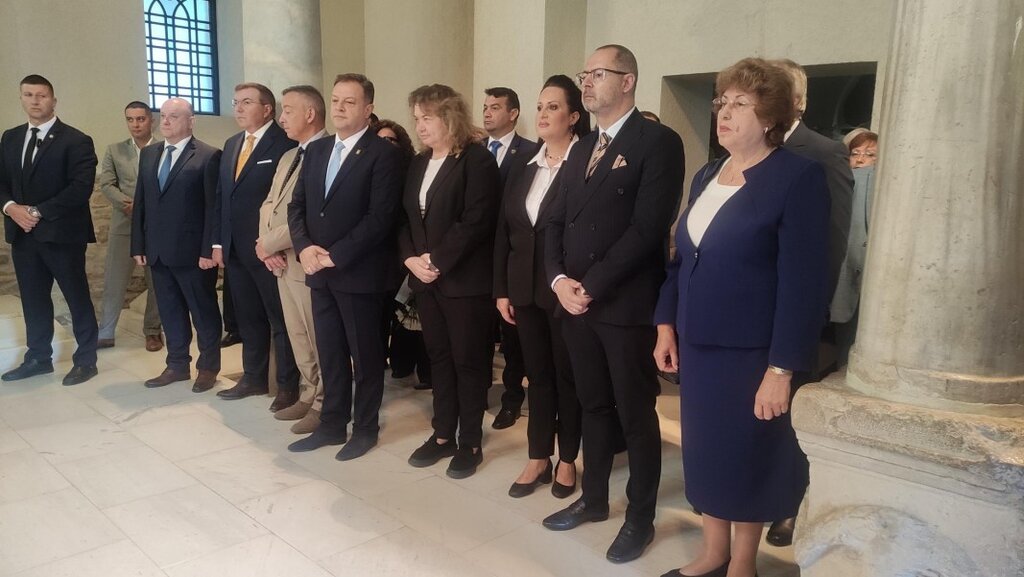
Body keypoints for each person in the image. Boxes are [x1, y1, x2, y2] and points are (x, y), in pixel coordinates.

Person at [652, 58, 830, 577]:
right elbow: (682, 259)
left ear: (770, 116)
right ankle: (714, 552)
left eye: (740, 104)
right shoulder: (708, 174)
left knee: (747, 457)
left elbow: (804, 284)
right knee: (706, 453)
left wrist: (782, 369)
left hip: (754, 354)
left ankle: (742, 564)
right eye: (721, 102)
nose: (724, 113)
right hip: (699, 346)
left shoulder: (797, 177)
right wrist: (665, 323)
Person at [541, 45, 685, 565]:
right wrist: (558, 279)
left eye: (598, 73)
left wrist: (590, 285)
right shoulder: (583, 146)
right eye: (585, 74)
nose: (587, 81)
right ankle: (595, 498)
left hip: (624, 305)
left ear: (627, 81)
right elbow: (553, 220)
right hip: (576, 304)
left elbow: (647, 229)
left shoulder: (657, 142)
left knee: (635, 414)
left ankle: (639, 518)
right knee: (592, 406)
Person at [286, 74, 403, 461]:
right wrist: (304, 248)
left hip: (359, 274)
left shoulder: (383, 154)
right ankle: (332, 424)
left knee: (365, 358)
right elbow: (297, 206)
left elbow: (380, 217)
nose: (339, 107)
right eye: (335, 100)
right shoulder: (318, 151)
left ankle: (365, 428)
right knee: (331, 353)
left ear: (368, 109)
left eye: (349, 102)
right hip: (318, 272)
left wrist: (335, 254)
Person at [769, 58, 855, 546]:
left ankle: (790, 505)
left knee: (790, 414)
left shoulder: (823, 152)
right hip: (750, 311)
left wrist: (810, 311)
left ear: (798, 100)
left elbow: (833, 239)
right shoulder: (741, 152)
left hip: (796, 310)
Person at [494, 74, 589, 499]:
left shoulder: (584, 163)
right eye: (540, 107)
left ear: (574, 116)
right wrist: (501, 289)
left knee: (567, 376)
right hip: (524, 290)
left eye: (553, 107)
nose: (544, 114)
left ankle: (567, 458)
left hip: (564, 290)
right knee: (538, 376)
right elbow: (506, 232)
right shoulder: (524, 164)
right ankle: (538, 456)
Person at [400, 84, 501, 479]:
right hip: (426, 280)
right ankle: (442, 434)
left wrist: (437, 260)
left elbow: (476, 220)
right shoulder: (418, 163)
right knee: (439, 358)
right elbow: (405, 218)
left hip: (465, 282)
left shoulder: (476, 160)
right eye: (417, 119)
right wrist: (411, 259)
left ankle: (470, 441)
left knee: (468, 362)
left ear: (450, 116)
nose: (420, 126)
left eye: (427, 118)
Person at [0, 74, 99, 386]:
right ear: (21, 98)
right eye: (28, 95)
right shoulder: (11, 137)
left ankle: (86, 360)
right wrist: (11, 208)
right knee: (33, 300)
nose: (35, 100)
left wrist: (37, 211)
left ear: (53, 100)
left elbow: (80, 188)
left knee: (76, 297)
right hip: (23, 234)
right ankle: (38, 358)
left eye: (41, 95)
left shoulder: (76, 140)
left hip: (62, 235)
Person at [213, 82, 299, 410]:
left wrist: (274, 243)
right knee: (248, 317)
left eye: (247, 102)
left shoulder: (284, 143)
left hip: (270, 249)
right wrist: (219, 242)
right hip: (236, 248)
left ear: (267, 109)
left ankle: (288, 384)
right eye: (236, 102)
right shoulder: (232, 144)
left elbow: (287, 201)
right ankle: (253, 376)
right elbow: (223, 198)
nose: (238, 108)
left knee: (280, 318)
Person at [131, 98, 223, 392]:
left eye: (174, 116)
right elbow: (142, 202)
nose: (166, 121)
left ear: (191, 121)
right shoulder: (150, 154)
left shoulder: (208, 155)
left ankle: (208, 367)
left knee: (203, 312)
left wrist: (209, 250)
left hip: (193, 253)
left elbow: (213, 208)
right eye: (163, 116)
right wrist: (138, 244)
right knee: (170, 311)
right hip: (158, 250)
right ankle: (177, 365)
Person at [255, 85, 329, 434]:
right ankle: (308, 391)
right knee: (297, 334)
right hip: (281, 260)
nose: (281, 118)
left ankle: (325, 401)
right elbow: (269, 204)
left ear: (310, 114)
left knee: (317, 336)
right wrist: (265, 246)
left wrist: (269, 243)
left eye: (287, 110)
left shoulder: (326, 153)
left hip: (305, 258)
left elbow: (310, 214)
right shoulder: (289, 156)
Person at [482, 86, 537, 430]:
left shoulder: (531, 151)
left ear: (513, 113)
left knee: (513, 335)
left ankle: (512, 398)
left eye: (495, 107)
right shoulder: (473, 151)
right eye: (485, 107)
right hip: (476, 259)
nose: (487, 113)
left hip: (512, 256)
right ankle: (478, 390)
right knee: (479, 332)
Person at [96, 101, 163, 352]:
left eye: (141, 119)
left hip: (156, 226)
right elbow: (106, 184)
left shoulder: (164, 149)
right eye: (130, 119)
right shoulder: (114, 150)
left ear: (151, 121)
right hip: (125, 222)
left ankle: (153, 331)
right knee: (114, 279)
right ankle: (105, 332)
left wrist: (149, 207)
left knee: (156, 281)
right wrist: (129, 204)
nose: (135, 124)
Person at [832, 129, 879, 367]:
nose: (861, 160)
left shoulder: (877, 186)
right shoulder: (837, 184)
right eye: (855, 153)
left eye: (870, 155)